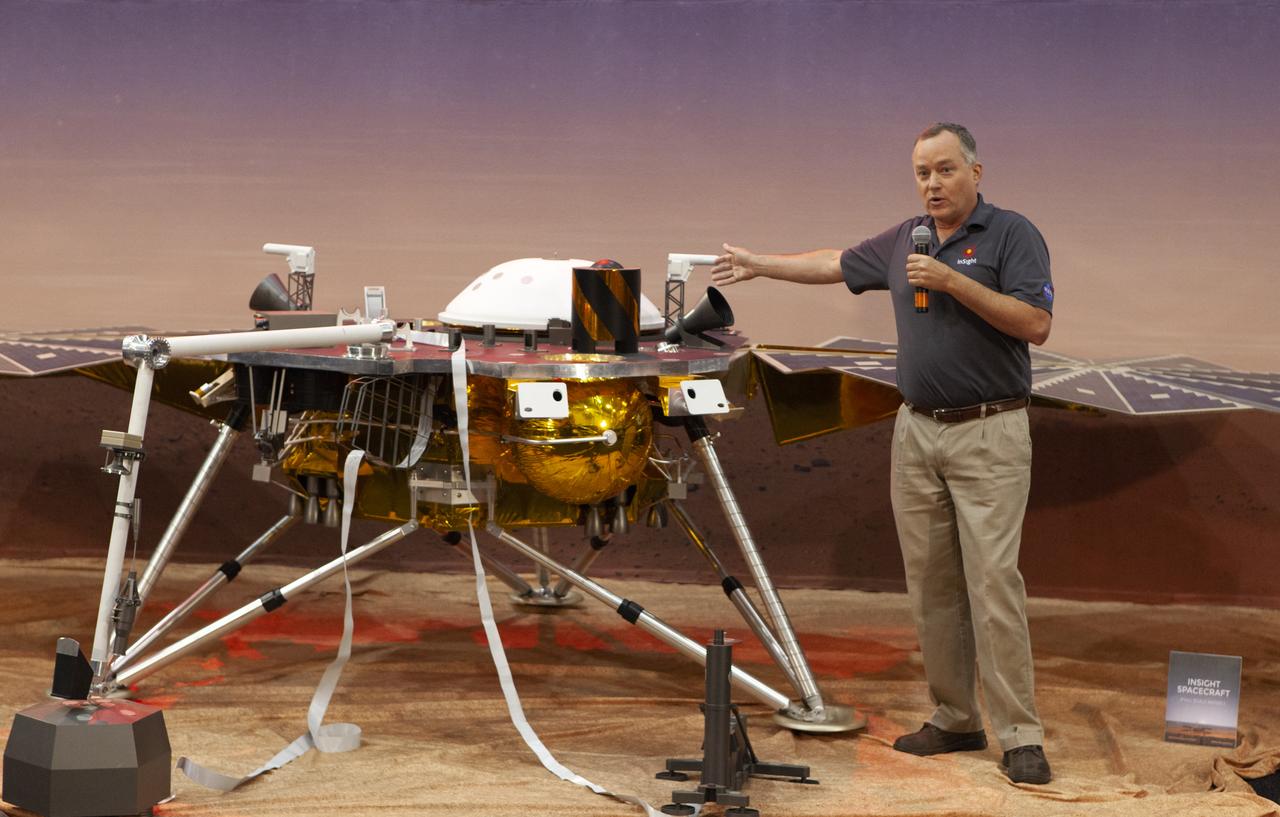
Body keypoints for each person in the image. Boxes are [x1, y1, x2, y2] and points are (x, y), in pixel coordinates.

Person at [711, 122, 1054, 785]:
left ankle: (1021, 736)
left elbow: (1035, 323)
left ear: (976, 173)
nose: (932, 183)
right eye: (922, 172)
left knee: (993, 584)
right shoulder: (905, 240)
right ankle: (956, 716)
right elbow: (834, 262)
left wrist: (953, 283)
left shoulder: (1012, 234)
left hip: (989, 429)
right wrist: (760, 264)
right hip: (918, 431)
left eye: (945, 170)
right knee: (932, 587)